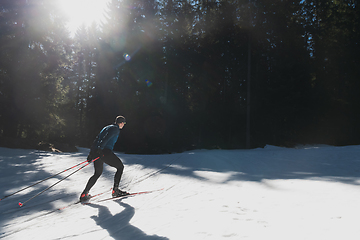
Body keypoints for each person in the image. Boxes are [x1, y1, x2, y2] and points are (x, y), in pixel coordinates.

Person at [80, 116, 128, 202]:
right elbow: (106, 138)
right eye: (123, 123)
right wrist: (100, 149)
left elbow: (97, 139)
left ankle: (84, 193)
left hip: (97, 152)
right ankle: (115, 190)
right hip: (104, 151)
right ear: (121, 123)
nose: (123, 125)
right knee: (120, 167)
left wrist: (91, 153)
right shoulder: (115, 129)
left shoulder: (106, 127)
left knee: (97, 173)